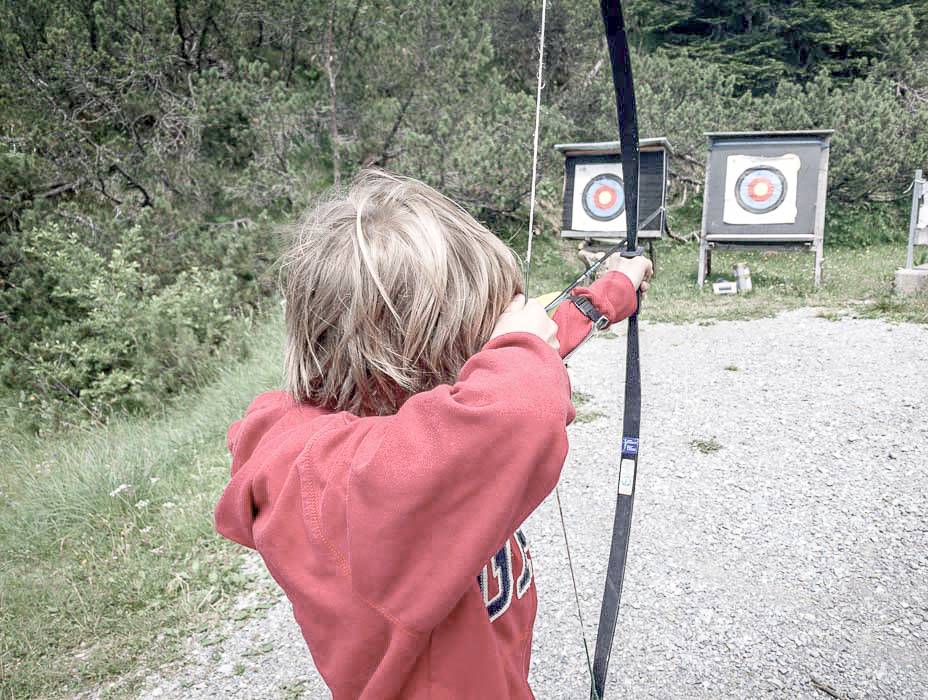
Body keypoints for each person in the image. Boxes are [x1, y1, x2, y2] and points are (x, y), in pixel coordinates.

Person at [214, 169, 652, 698]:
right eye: (487, 332)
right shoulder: (346, 483)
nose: (499, 349)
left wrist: (611, 291)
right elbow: (517, 400)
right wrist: (519, 348)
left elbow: (523, 361)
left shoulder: (407, 429)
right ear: (429, 355)